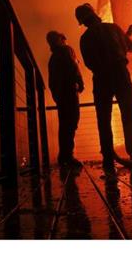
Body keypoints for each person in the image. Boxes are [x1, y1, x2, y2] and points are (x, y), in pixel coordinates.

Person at [75, 3, 132, 171]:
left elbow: (89, 62)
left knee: (103, 119)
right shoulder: (113, 28)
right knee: (128, 114)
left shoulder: (85, 39)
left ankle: (108, 159)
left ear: (83, 22)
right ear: (95, 15)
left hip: (101, 78)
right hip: (120, 74)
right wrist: (128, 35)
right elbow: (130, 47)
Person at [46, 30, 84, 168]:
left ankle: (64, 156)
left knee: (64, 125)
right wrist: (80, 81)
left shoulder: (53, 59)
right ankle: (68, 156)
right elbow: (73, 66)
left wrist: (56, 96)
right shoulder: (66, 50)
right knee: (72, 122)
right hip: (69, 92)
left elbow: (51, 82)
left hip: (61, 96)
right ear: (61, 39)